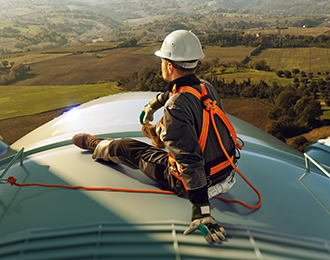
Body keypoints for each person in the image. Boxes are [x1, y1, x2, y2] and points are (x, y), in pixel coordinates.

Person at [72, 29, 237, 243]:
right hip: (226, 173)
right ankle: (158, 133)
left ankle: (98, 145)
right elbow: (179, 93)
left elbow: (189, 159)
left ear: (169, 65)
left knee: (127, 147)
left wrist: (201, 209)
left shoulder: (176, 107)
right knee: (174, 124)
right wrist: (154, 104)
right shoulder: (206, 87)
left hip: (195, 183)